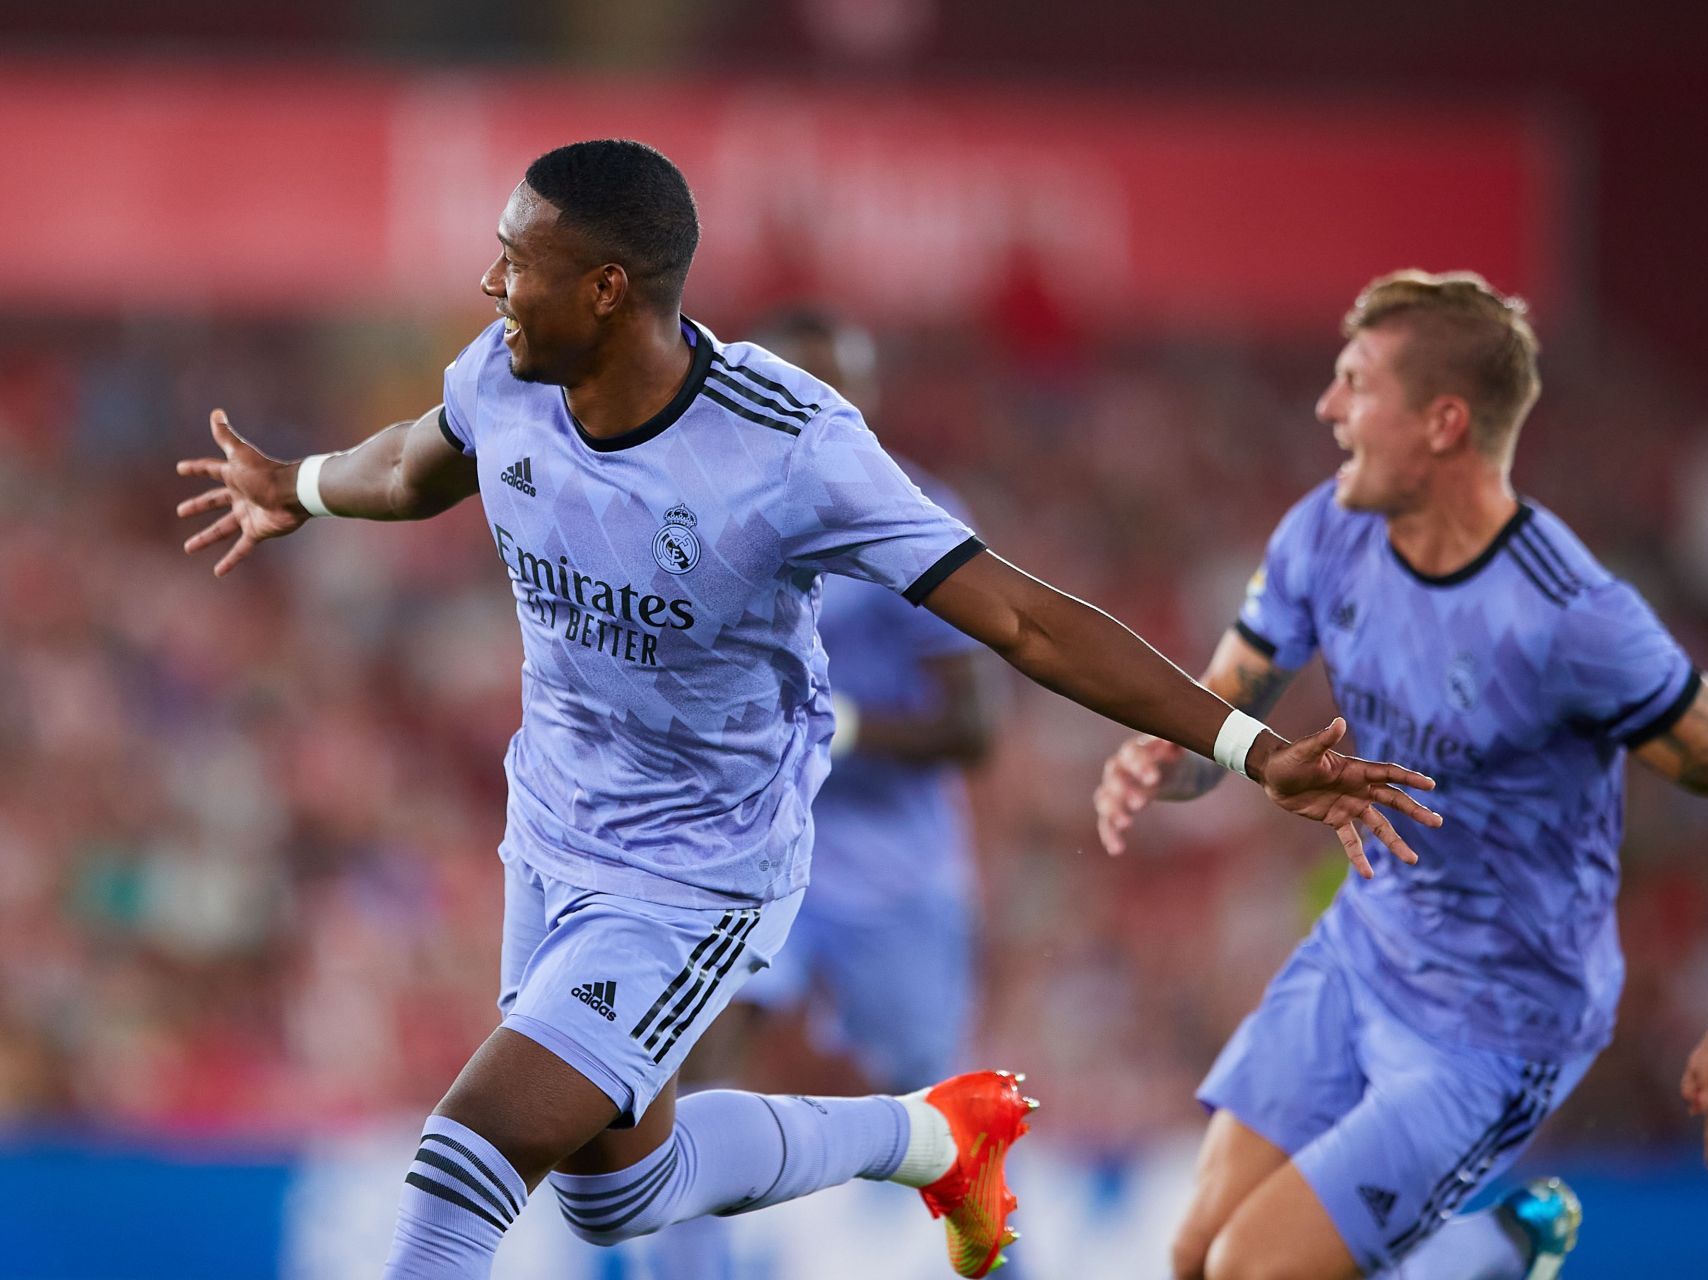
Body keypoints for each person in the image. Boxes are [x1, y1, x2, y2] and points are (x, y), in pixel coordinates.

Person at [174, 140, 1441, 1280]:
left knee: (468, 1157)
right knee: (619, 1195)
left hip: (697, 870)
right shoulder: (507, 377)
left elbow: (1021, 616)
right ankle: (937, 1133)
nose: (492, 283)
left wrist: (1247, 744)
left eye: (519, 261)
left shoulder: (788, 450)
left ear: (608, 287)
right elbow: (413, 461)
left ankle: (930, 1125)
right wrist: (300, 485)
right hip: (551, 828)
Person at [1093, 270, 1708, 1280]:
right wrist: (1166, 759)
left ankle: (1489, 1248)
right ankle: (1484, 1247)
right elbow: (1226, 706)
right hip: (1360, 955)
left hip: (1495, 1028)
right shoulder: (1325, 532)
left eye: (1354, 384)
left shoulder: (1570, 616)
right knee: (1194, 1252)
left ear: (1443, 422)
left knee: (1253, 1269)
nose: (1326, 408)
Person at [649, 309, 1003, 1280]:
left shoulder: (914, 520)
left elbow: (974, 728)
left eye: (835, 398)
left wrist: (832, 723)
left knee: (938, 1109)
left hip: (894, 875)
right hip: (755, 860)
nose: (813, 418)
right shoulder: (693, 522)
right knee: (693, 1060)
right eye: (790, 396)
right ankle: (687, 1268)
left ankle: (995, 1263)